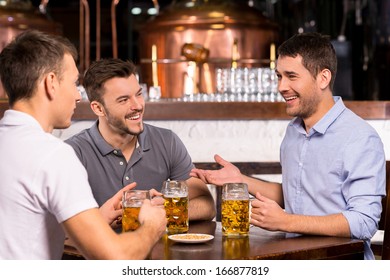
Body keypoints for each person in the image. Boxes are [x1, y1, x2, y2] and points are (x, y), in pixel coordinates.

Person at [190, 32, 386, 260]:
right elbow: (298, 195)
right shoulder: (294, 131)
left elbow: (364, 222)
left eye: (291, 76)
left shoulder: (360, 138)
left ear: (323, 78)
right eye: (279, 76)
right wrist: (240, 180)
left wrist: (285, 221)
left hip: (339, 262)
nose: (281, 86)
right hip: (295, 257)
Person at [0, 30, 166, 260]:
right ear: (51, 83)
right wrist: (152, 225)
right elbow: (116, 258)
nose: (78, 96)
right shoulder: (53, 155)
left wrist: (96, 218)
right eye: (74, 82)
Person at [65, 58, 216, 222]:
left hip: (159, 247)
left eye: (138, 94)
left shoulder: (166, 141)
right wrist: (101, 220)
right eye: (123, 100)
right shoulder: (72, 153)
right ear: (98, 108)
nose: (137, 105)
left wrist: (165, 211)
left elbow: (207, 205)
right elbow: (59, 231)